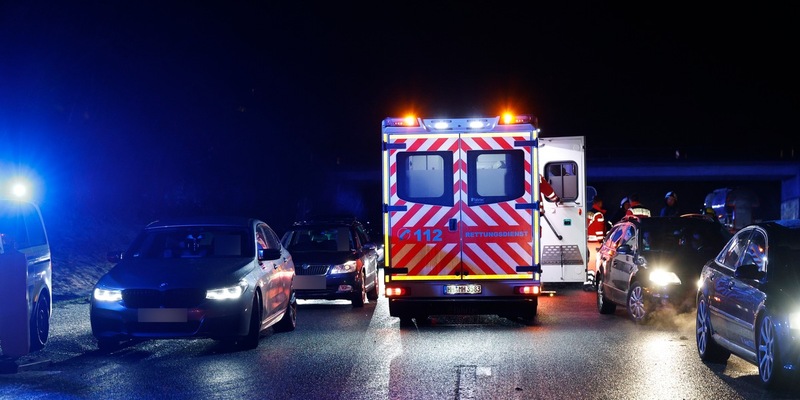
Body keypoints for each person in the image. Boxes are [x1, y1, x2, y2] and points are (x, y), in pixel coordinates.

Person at [584, 196, 606, 290]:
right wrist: (602, 242)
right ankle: (589, 283)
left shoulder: (588, 213)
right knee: (594, 263)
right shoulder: (599, 215)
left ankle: (588, 281)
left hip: (587, 241)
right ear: (599, 203)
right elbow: (599, 231)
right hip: (595, 243)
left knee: (588, 262)